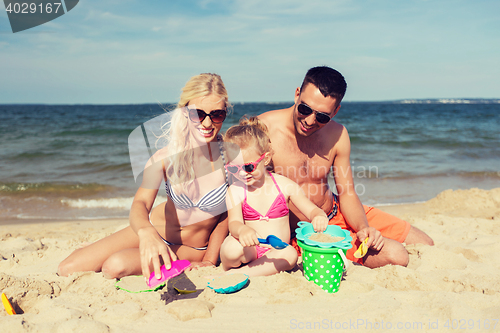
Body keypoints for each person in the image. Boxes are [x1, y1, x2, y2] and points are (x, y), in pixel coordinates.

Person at [58, 73, 230, 280]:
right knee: (67, 268)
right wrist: (146, 232)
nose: (207, 123)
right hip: (154, 231)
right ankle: (100, 247)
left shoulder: (231, 156)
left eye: (217, 114)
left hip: (191, 247)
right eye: (197, 114)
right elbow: (140, 202)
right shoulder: (165, 158)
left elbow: (226, 215)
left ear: (225, 113)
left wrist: (210, 259)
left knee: (114, 265)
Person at [258, 66, 434, 268]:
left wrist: (362, 228)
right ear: (297, 94)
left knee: (425, 243)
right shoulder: (263, 129)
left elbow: (347, 192)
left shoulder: (338, 134)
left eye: (322, 117)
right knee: (397, 255)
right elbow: (240, 187)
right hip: (302, 231)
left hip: (336, 211)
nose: (309, 120)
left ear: (336, 111)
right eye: (304, 109)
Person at [219, 117, 329, 276]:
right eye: (234, 169)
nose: (242, 173)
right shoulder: (235, 190)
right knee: (230, 249)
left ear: (266, 158)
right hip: (249, 249)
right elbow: (234, 222)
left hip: (275, 251)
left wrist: (319, 216)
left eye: (249, 167)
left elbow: (312, 211)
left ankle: (236, 274)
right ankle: (250, 270)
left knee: (290, 255)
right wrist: (242, 230)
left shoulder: (285, 186)